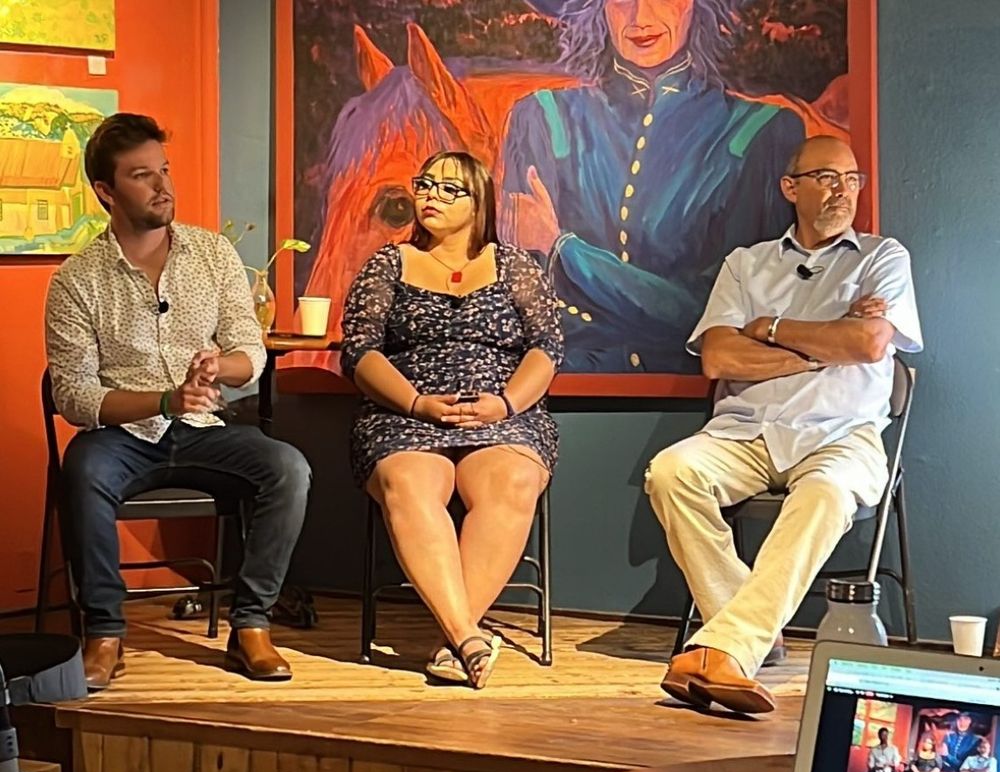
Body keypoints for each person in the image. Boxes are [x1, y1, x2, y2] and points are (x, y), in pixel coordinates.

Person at [650, 135, 923, 714]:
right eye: (826, 177)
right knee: (671, 472)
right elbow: (718, 358)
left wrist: (768, 328)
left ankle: (729, 648)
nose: (842, 190)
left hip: (840, 435)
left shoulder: (882, 258)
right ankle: (749, 635)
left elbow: (870, 343)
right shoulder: (746, 264)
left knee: (824, 494)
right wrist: (825, 345)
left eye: (851, 179)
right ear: (790, 188)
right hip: (745, 432)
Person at [45, 113, 312, 690]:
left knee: (288, 468)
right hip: (123, 438)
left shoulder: (212, 254)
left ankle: (252, 625)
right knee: (82, 470)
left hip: (206, 428)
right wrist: (164, 400)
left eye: (164, 170)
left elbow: (250, 351)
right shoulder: (76, 280)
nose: (163, 186)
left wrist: (220, 367)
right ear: (106, 191)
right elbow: (75, 396)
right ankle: (105, 633)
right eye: (142, 175)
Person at [340, 150, 563, 688]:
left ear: (478, 200)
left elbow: (547, 347)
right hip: (405, 413)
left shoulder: (516, 266)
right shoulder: (388, 264)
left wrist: (505, 403)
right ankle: (467, 636)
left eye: (448, 188)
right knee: (409, 482)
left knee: (512, 481)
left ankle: (451, 643)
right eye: (425, 185)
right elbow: (360, 352)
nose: (430, 196)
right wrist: (416, 402)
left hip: (501, 412)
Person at [502, 0, 804, 372]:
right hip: (568, 382)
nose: (641, 18)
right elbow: (526, 307)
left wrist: (564, 250)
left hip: (698, 390)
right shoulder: (543, 118)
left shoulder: (761, 133)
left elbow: (719, 314)